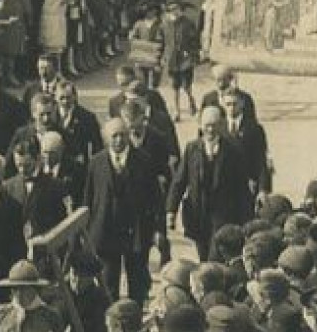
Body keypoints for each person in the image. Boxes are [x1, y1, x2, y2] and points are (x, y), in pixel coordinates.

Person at [85, 117, 161, 304]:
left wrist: (159, 229)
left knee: (138, 282)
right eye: (114, 136)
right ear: (106, 138)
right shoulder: (96, 162)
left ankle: (135, 320)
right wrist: (86, 231)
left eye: (123, 135)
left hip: (135, 232)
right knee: (108, 282)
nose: (119, 140)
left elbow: (156, 198)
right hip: (106, 231)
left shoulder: (143, 160)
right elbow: (88, 198)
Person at [169, 106, 254, 263]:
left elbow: (242, 188)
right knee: (203, 254)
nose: (210, 129)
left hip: (223, 215)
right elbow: (179, 181)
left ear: (221, 125)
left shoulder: (233, 150)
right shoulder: (191, 148)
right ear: (200, 125)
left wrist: (247, 218)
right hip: (197, 214)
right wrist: (171, 210)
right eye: (207, 125)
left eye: (214, 125)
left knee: (214, 257)